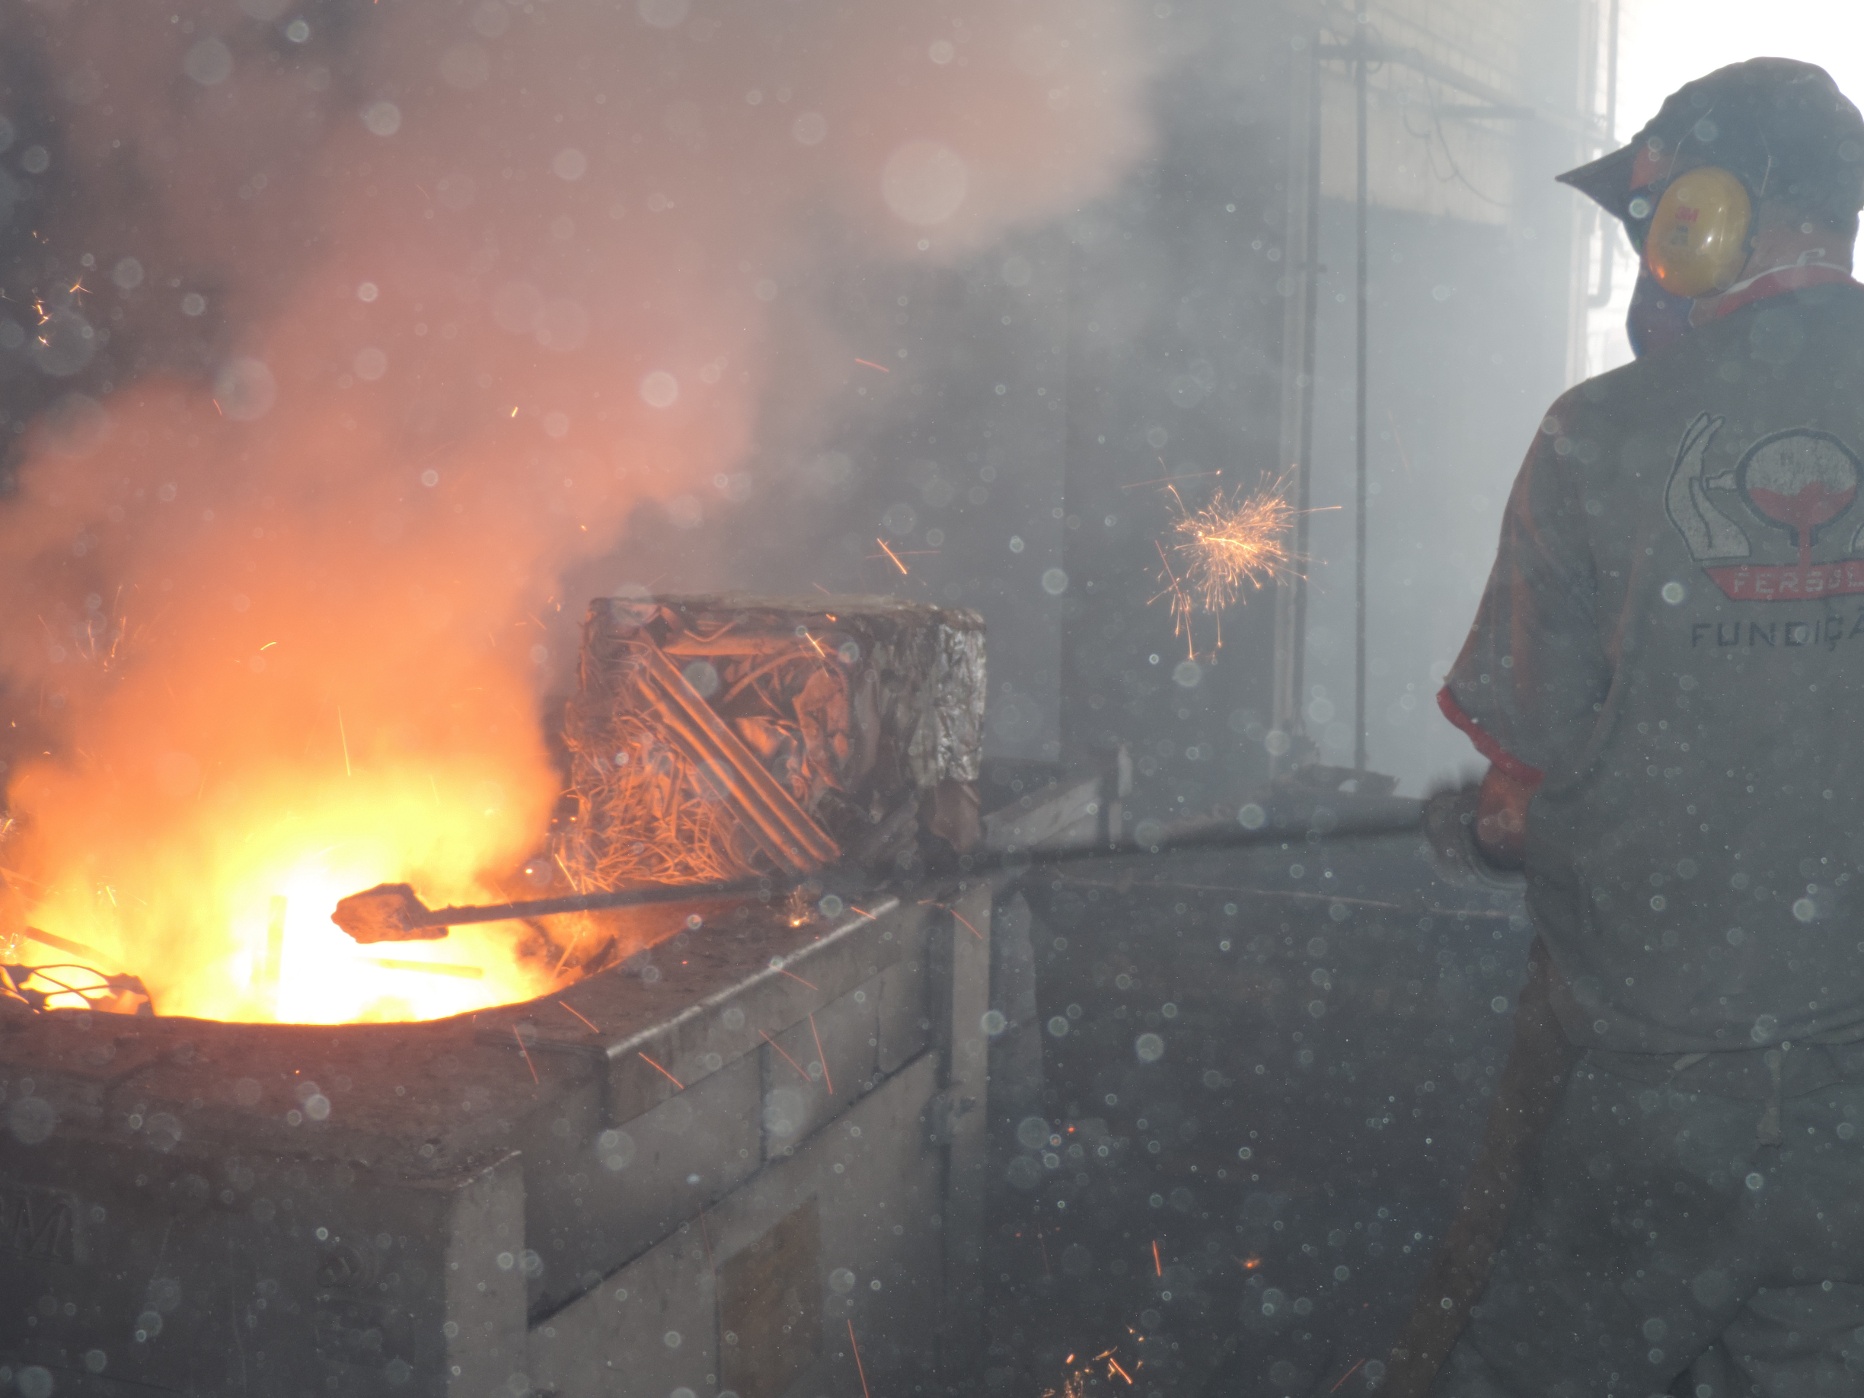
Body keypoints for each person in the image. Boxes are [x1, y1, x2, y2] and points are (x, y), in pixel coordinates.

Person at [1425, 57, 1864, 1398]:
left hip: (1658, 1090)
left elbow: (1522, 793)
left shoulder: (1599, 435)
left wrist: (1485, 825)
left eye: (1655, 212)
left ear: (1712, 210)